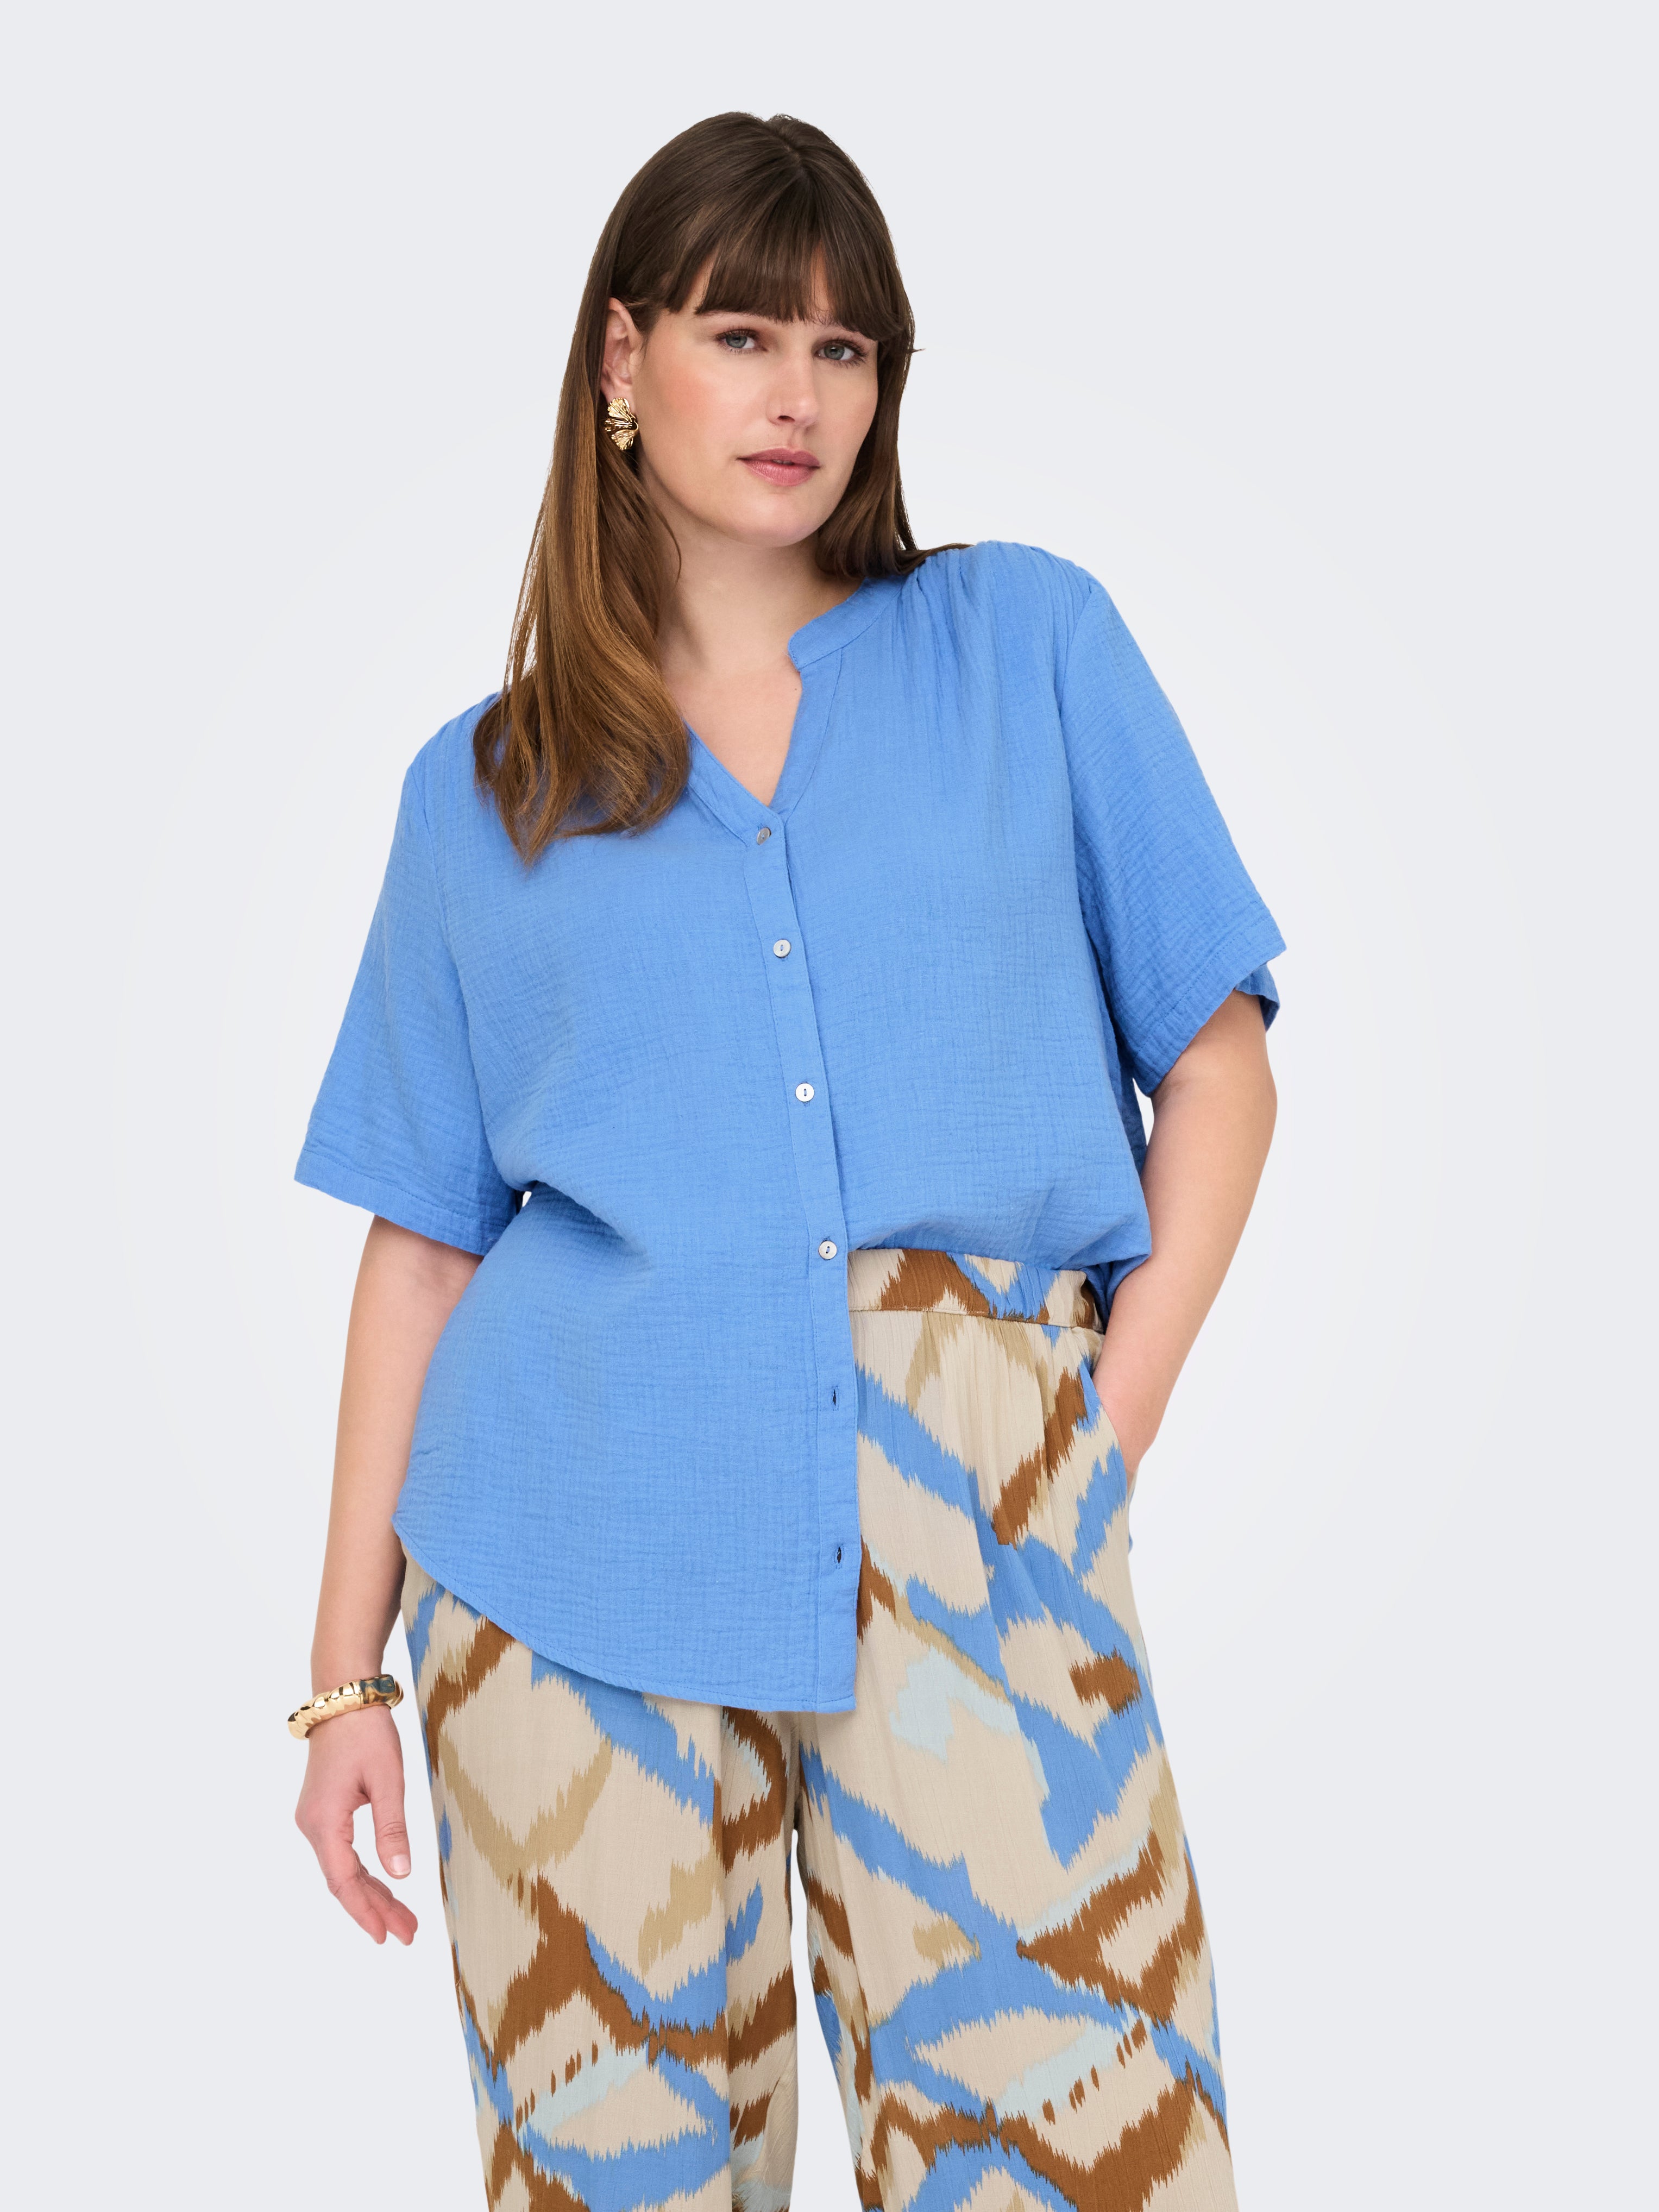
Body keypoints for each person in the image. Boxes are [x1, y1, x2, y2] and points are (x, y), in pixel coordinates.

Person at [290, 109, 1281, 2212]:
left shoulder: (1024, 647)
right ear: (622, 359)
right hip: (566, 1550)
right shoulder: (488, 789)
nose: (799, 395)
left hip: (982, 1497)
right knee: (615, 2178)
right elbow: (423, 1252)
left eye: (846, 351)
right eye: (745, 336)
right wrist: (339, 1680)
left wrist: (1091, 1436)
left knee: (1079, 2149)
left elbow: (1216, 1067)